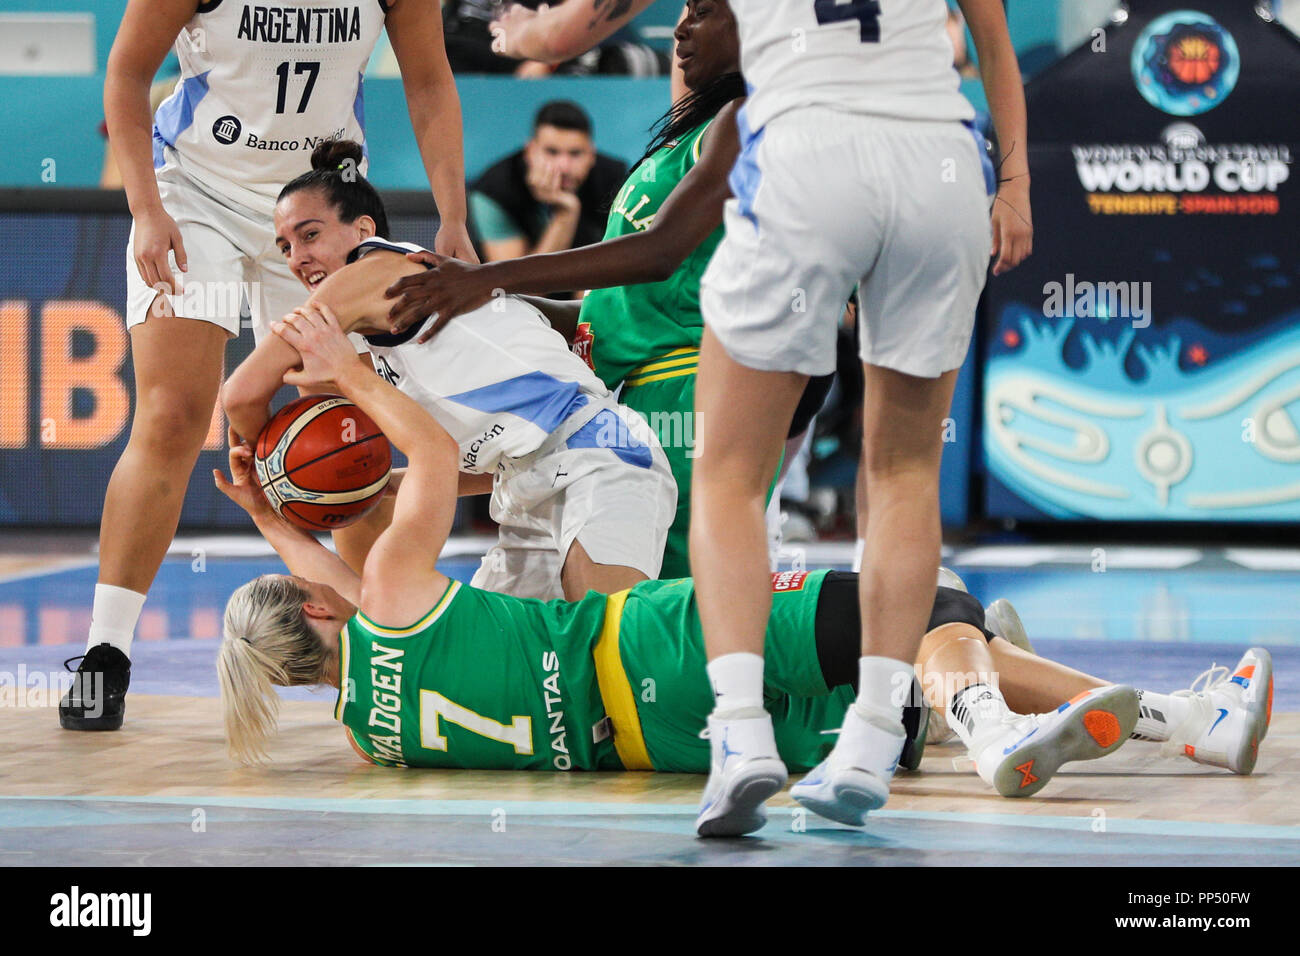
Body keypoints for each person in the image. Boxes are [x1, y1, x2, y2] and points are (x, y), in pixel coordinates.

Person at [211, 324, 1272, 808]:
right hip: (652, 639)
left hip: (657, 745)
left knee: (888, 700)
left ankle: (991, 708)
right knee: (917, 606)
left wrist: (274, 515)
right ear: (317, 599)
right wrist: (351, 370)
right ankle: (1167, 721)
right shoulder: (390, 593)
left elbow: (332, 614)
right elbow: (433, 455)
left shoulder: (368, 733)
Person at [61, 0, 477, 733]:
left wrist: (452, 216)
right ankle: (105, 655)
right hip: (198, 194)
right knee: (173, 415)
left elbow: (429, 81)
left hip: (318, 202)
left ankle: (381, 647)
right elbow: (126, 73)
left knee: (344, 431)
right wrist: (146, 207)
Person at [684, 0, 1034, 836]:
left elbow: (575, 30)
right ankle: (874, 735)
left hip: (810, 147)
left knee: (729, 472)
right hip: (940, 155)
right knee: (907, 470)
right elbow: (992, 37)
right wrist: (1016, 185)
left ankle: (739, 732)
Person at [380, 0, 832, 578]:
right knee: (635, 606)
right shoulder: (690, 132)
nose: (681, 27)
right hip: (635, 388)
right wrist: (491, 303)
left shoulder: (750, 119)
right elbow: (605, 308)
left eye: (703, 12)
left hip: (692, 383)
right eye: (684, 9)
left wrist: (490, 277)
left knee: (678, 605)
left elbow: (659, 252)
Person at [222, 141, 676, 602]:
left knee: (607, 639)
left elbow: (240, 395)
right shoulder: (395, 330)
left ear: (363, 230)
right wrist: (380, 484)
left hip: (594, 456)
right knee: (496, 670)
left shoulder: (369, 276)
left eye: (310, 235)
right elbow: (495, 459)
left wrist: (276, 470)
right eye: (284, 247)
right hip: (527, 488)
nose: (296, 257)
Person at [470, 101, 628, 263]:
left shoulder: (615, 180)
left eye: (575, 153)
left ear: (591, 155)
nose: (564, 167)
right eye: (551, 152)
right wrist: (565, 214)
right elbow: (517, 286)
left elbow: (613, 272)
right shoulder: (494, 191)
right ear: (530, 151)